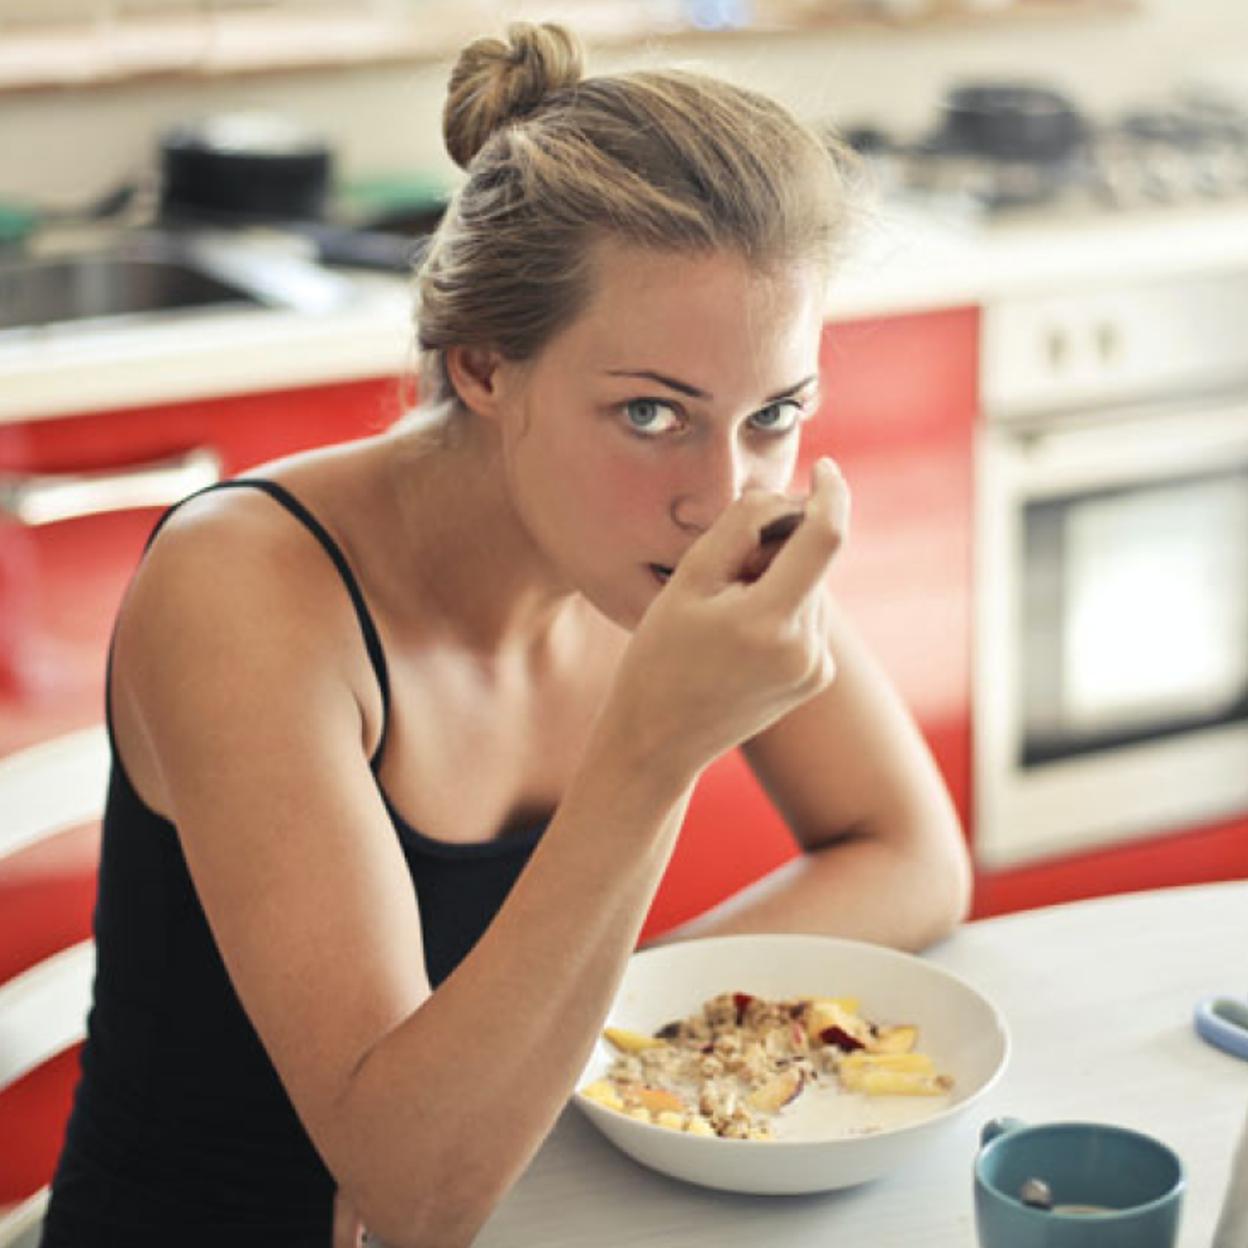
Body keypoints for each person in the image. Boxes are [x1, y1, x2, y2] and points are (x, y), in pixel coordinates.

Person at [42, 21, 970, 1248]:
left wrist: (593, 1049)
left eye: (775, 412)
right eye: (650, 411)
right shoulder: (249, 592)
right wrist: (652, 755)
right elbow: (413, 1193)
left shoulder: (699, 526)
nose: (725, 493)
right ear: (483, 366)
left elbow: (911, 854)